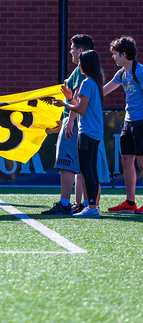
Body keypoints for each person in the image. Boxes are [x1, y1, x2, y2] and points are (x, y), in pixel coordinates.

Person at [42, 34, 95, 215]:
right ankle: (88, 205)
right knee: (85, 167)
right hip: (84, 124)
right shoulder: (87, 71)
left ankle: (66, 204)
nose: (70, 51)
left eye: (72, 48)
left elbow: (78, 99)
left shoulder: (83, 71)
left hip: (77, 123)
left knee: (67, 164)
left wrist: (70, 120)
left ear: (81, 51)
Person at [53, 50, 104, 218]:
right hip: (95, 131)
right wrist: (70, 98)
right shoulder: (95, 82)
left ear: (86, 64)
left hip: (87, 132)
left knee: (86, 170)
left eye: (81, 62)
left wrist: (64, 103)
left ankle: (91, 208)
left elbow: (80, 109)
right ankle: (92, 207)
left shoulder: (87, 83)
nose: (78, 65)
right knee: (91, 170)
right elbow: (83, 106)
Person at [104, 36, 143, 214]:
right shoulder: (121, 73)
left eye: (115, 54)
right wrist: (81, 97)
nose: (113, 57)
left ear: (124, 54)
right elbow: (103, 91)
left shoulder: (139, 71)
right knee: (127, 160)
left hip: (141, 122)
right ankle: (130, 202)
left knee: (142, 162)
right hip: (128, 121)